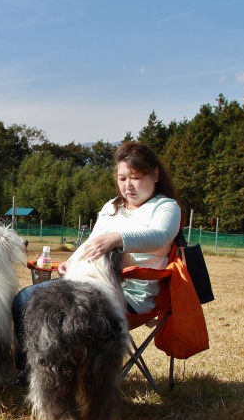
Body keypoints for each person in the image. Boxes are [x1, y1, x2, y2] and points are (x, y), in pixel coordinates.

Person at [11, 141, 183, 383]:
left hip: (129, 296)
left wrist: (117, 239)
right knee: (25, 299)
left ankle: (80, 380)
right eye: (122, 178)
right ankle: (30, 370)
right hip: (84, 284)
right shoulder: (112, 206)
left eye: (136, 177)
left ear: (155, 175)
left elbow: (161, 236)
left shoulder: (166, 207)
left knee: (72, 310)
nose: (128, 185)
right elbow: (92, 242)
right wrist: (71, 261)